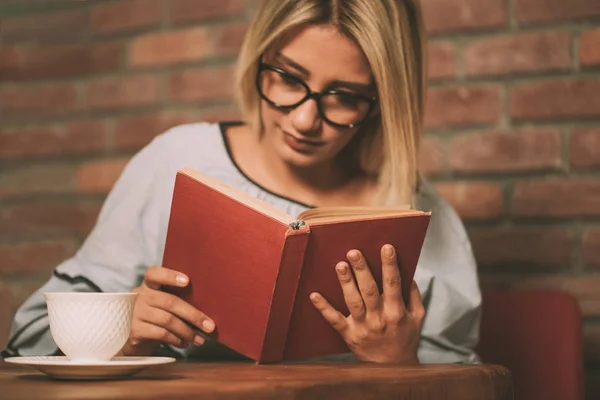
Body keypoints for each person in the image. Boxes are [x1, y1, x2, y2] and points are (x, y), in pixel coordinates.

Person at [3, 0, 481, 364]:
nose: (305, 120)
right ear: (258, 58)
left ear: (383, 102)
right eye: (288, 78)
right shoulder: (177, 161)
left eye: (344, 97)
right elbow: (28, 338)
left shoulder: (416, 215)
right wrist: (122, 331)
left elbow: (467, 382)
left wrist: (398, 363)